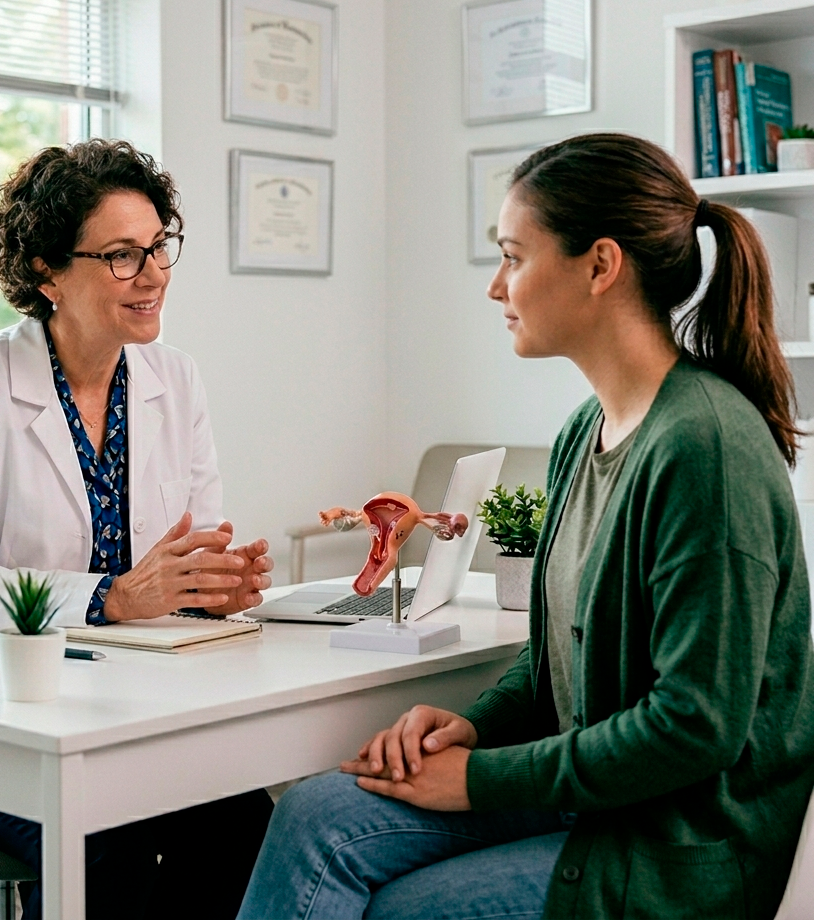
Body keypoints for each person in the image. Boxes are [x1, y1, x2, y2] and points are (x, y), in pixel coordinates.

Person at [238, 133, 814, 920]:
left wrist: (480, 781)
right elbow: (556, 660)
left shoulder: (703, 448)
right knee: (315, 815)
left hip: (678, 844)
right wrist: (472, 728)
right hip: (593, 794)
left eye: (514, 256)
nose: (496, 287)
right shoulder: (586, 430)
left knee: (401, 908)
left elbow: (695, 727)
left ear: (600, 266)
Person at [0, 139, 274, 920]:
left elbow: (191, 542)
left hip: (126, 700)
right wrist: (114, 596)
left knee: (243, 824)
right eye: (121, 255)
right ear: (45, 271)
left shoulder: (175, 378)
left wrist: (215, 583)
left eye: (159, 246)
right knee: (107, 839)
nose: (154, 275)